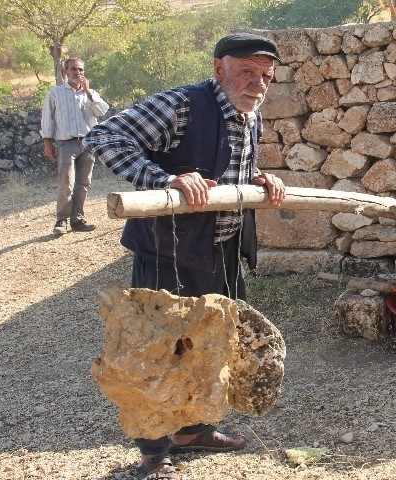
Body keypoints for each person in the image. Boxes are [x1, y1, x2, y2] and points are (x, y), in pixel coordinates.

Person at [83, 33, 287, 480]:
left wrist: (260, 180)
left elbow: (230, 165)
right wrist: (164, 178)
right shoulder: (182, 104)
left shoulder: (249, 112)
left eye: (265, 76)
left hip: (222, 250)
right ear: (219, 68)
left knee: (216, 341)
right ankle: (153, 453)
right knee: (159, 348)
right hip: (168, 252)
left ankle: (194, 430)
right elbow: (103, 136)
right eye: (247, 72)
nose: (257, 83)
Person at [41, 57, 110, 235]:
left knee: (83, 183)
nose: (77, 73)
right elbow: (47, 118)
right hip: (66, 144)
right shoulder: (55, 93)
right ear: (65, 72)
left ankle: (77, 219)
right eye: (73, 69)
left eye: (80, 70)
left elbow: (103, 111)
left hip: (88, 143)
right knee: (66, 183)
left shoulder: (90, 94)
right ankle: (61, 220)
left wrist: (88, 92)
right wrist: (47, 142)